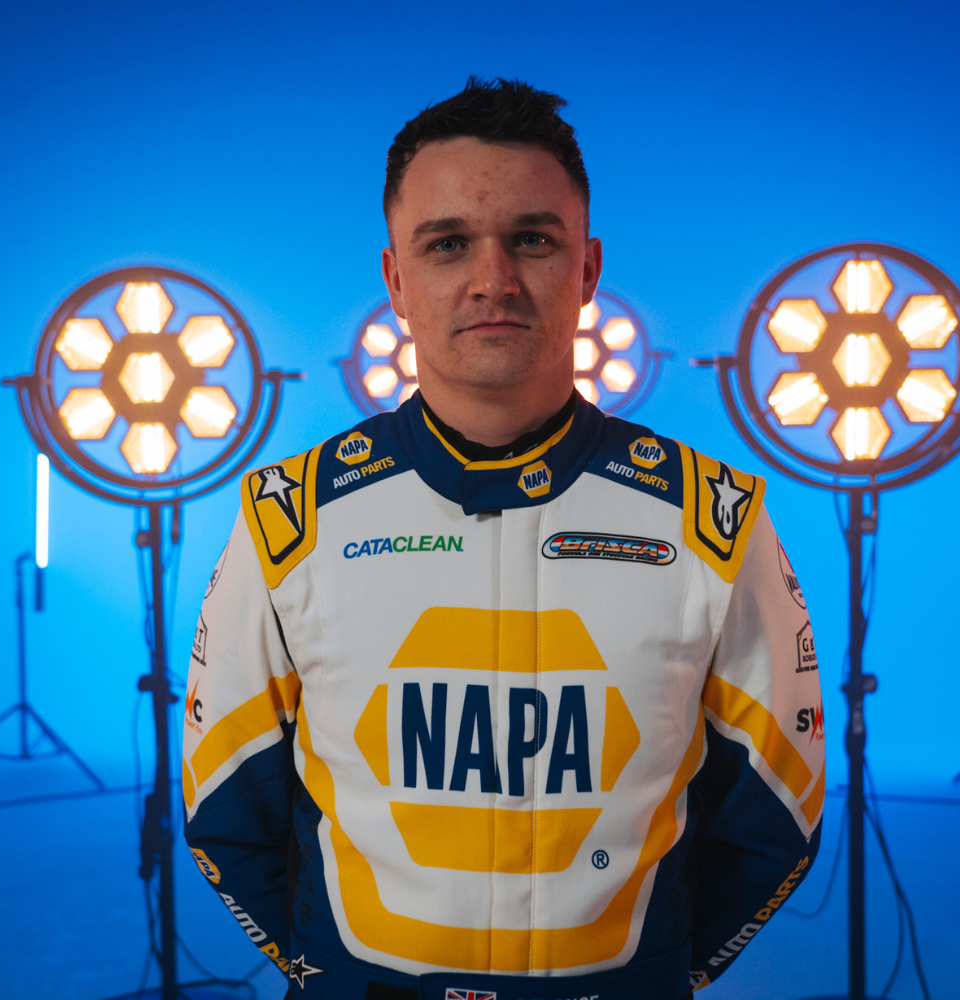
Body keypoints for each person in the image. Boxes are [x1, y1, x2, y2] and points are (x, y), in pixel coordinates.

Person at [182, 77, 824, 1000]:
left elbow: (776, 813)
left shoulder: (710, 519)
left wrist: (647, 978)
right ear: (397, 281)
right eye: (448, 244)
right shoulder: (291, 518)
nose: (494, 279)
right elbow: (226, 809)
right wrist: (336, 978)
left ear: (587, 270)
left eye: (532, 239)